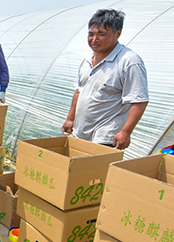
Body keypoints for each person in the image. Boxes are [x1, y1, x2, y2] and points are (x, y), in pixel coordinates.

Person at [62, 9, 148, 150]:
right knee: (78, 170)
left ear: (118, 33)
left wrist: (126, 132)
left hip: (106, 136)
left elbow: (139, 100)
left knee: (96, 170)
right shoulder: (87, 60)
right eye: (91, 34)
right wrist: (70, 119)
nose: (94, 39)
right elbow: (79, 91)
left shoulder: (129, 62)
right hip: (81, 132)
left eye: (102, 34)